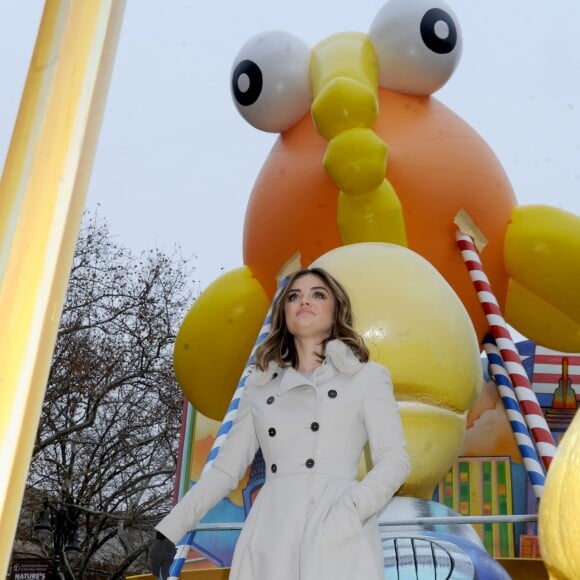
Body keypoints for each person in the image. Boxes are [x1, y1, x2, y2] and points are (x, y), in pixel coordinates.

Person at [150, 267, 410, 580]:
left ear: (336, 310)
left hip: (337, 533)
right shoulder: (260, 387)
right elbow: (224, 471)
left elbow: (395, 460)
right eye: (294, 296)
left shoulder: (366, 378)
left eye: (318, 294)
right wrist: (169, 531)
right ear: (283, 312)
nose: (305, 301)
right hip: (271, 534)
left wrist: (350, 510)